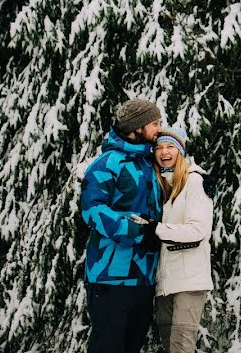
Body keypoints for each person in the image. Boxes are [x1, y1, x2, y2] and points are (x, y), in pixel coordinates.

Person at [80, 98, 164, 353]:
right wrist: (139, 231)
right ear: (136, 128)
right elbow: (92, 211)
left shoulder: (150, 163)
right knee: (107, 346)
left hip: (144, 276)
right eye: (155, 123)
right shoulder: (107, 163)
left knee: (132, 345)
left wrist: (202, 186)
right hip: (111, 276)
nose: (160, 128)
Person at [141, 127, 214, 353]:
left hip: (189, 280)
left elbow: (198, 231)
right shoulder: (163, 185)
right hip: (166, 281)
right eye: (159, 147)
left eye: (170, 147)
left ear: (180, 151)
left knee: (181, 345)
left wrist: (157, 229)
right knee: (168, 343)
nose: (164, 152)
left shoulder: (194, 181)